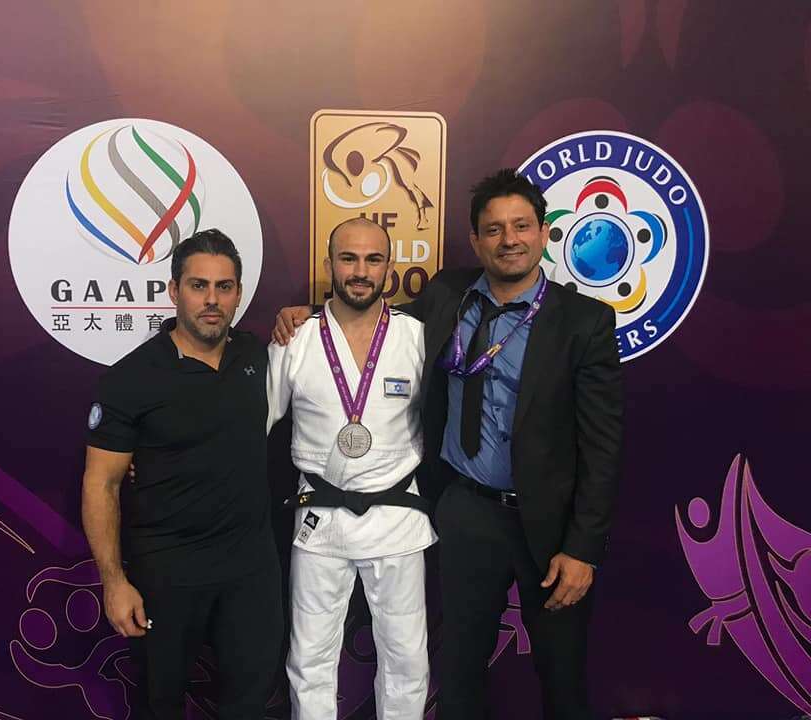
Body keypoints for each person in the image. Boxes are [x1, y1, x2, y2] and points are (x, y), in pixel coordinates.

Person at [273, 169, 624, 720]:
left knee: (560, 673)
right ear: (476, 239)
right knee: (457, 672)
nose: (509, 239)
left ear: (543, 233)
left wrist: (583, 547)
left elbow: (603, 447)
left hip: (549, 523)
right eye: (494, 229)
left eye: (521, 226)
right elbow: (363, 326)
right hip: (466, 513)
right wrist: (305, 316)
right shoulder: (446, 298)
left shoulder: (584, 322)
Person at [82, 229, 282, 720]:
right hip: (165, 572)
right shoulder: (130, 378)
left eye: (224, 287)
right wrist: (114, 581)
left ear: (238, 293)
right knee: (160, 705)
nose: (212, 300)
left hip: (250, 571)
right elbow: (101, 484)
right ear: (173, 290)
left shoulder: (259, 356)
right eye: (198, 286)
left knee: (249, 706)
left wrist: (299, 314)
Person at [267, 217, 437, 719]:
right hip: (320, 518)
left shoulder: (416, 338)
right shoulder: (295, 338)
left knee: (407, 659)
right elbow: (251, 423)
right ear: (329, 265)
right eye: (348, 258)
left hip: (397, 517)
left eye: (373, 259)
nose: (360, 271)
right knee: (310, 659)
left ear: (389, 268)